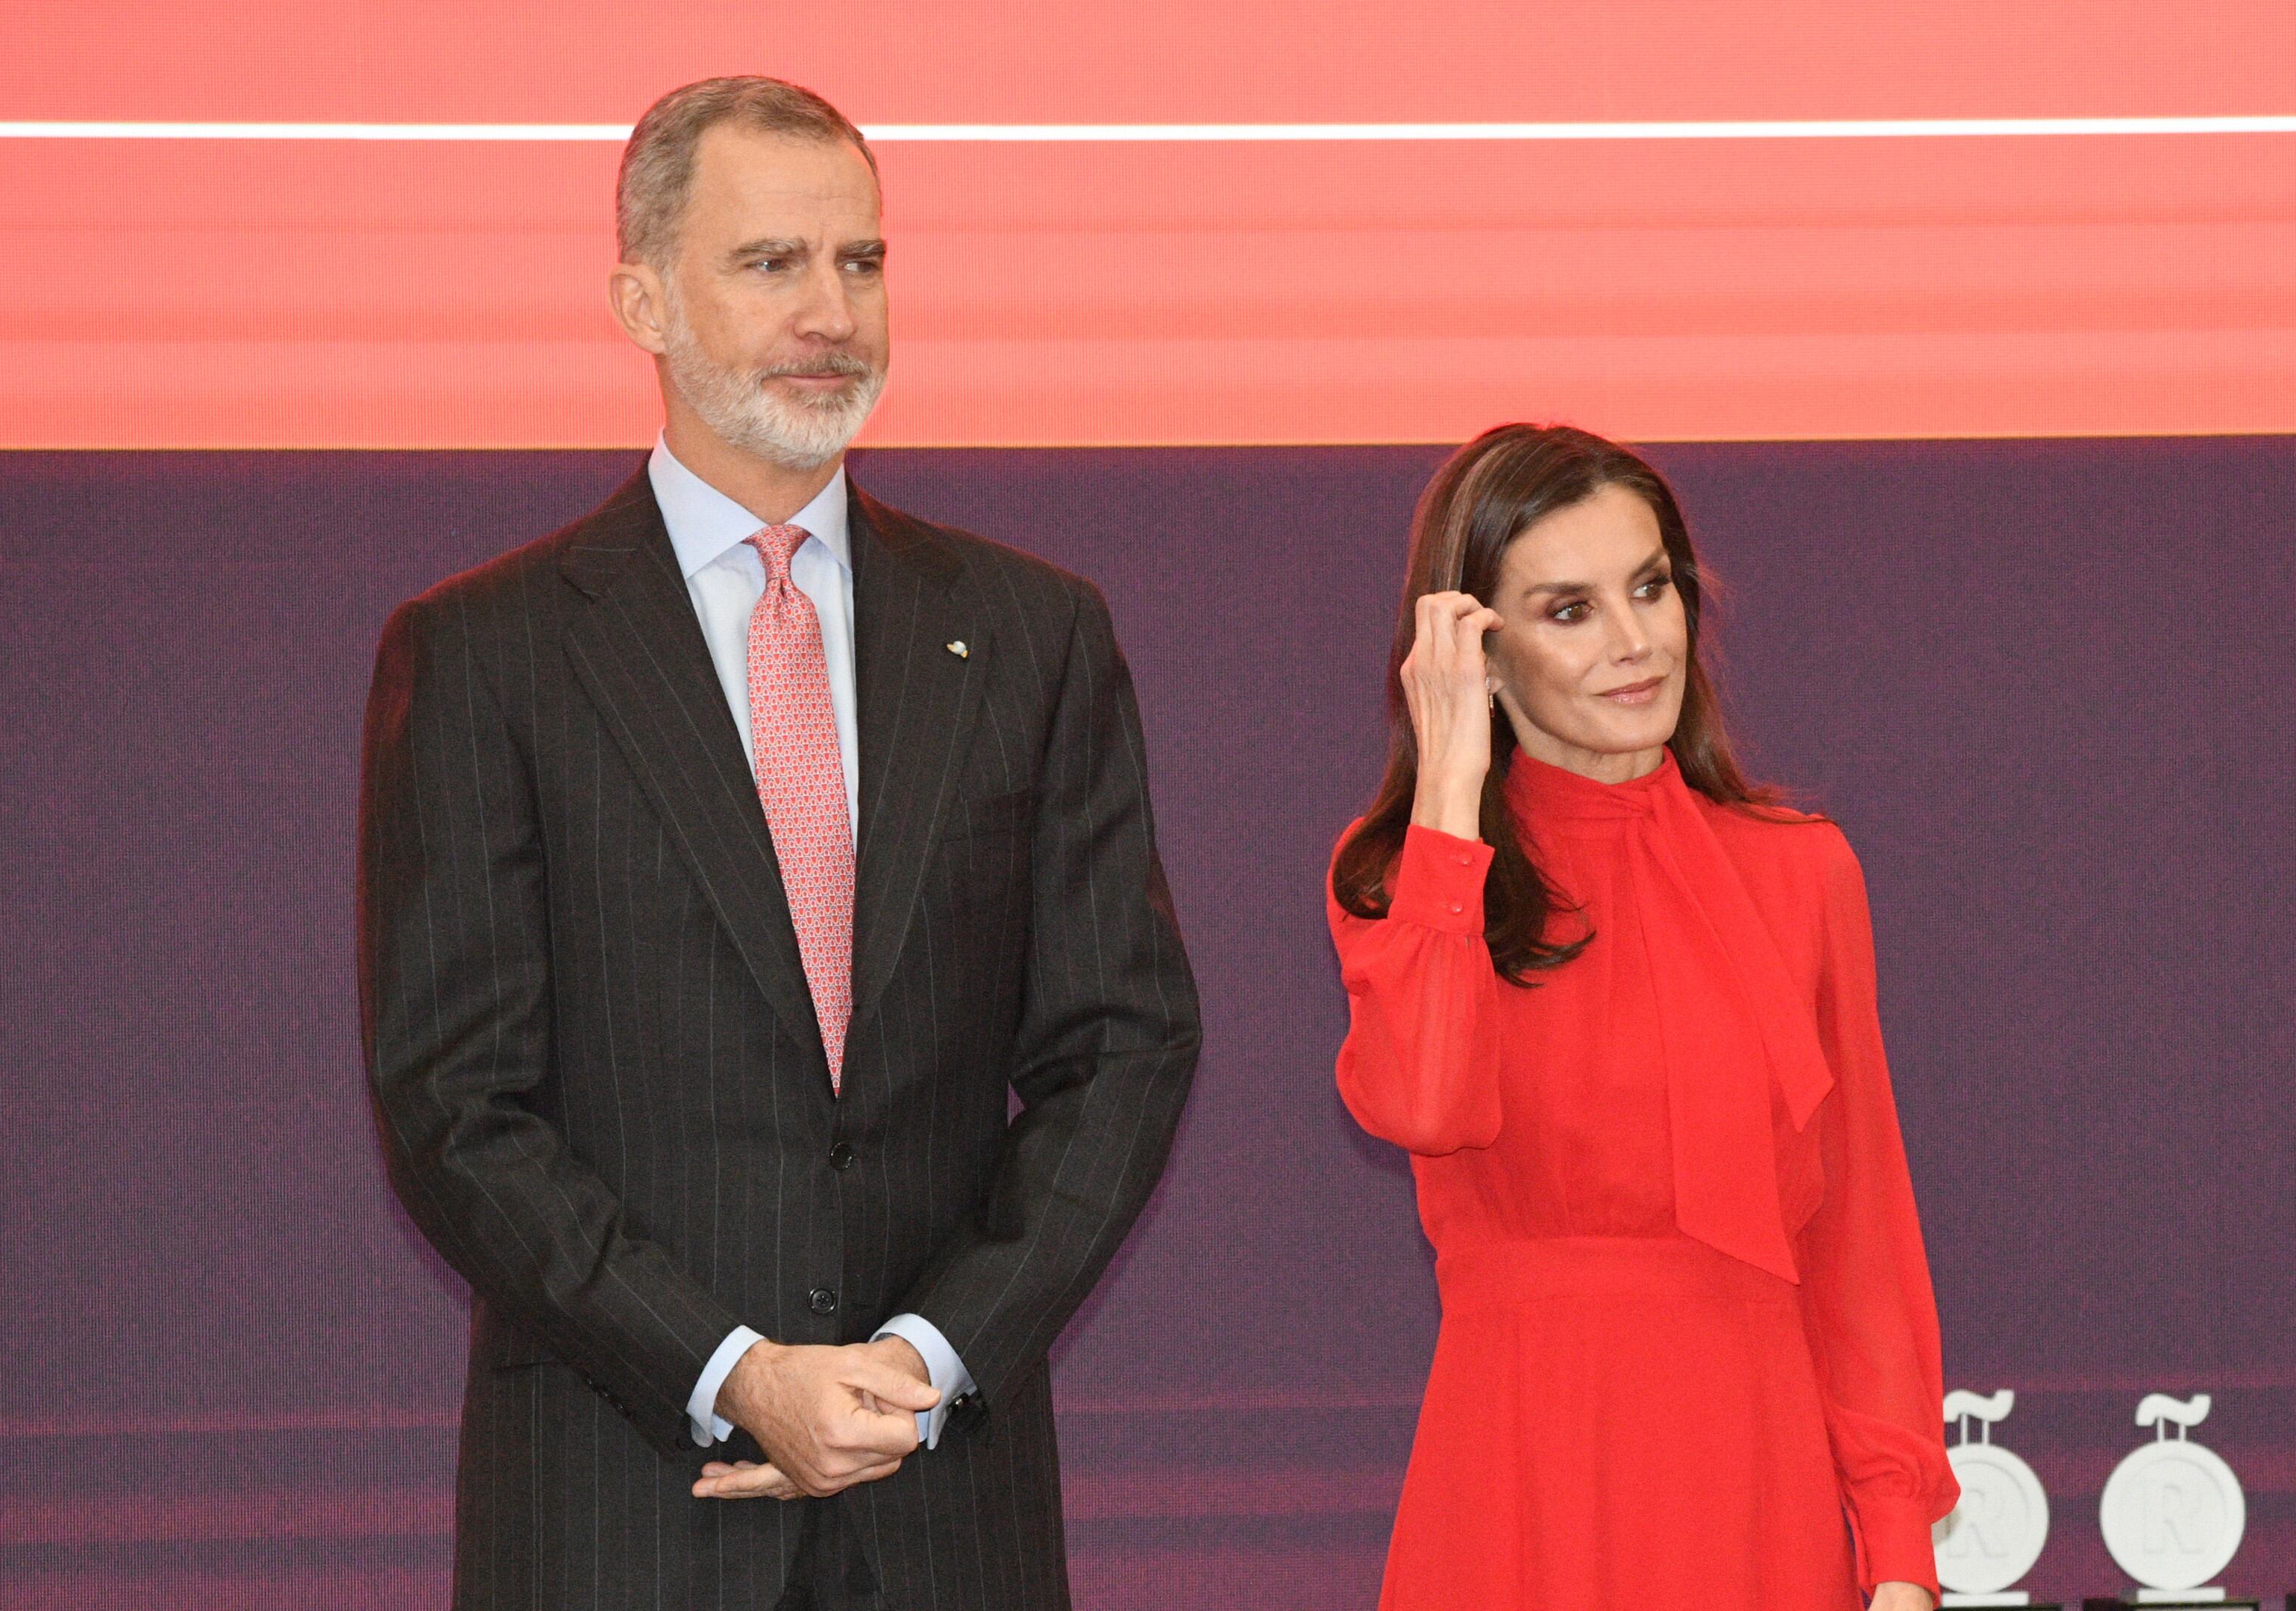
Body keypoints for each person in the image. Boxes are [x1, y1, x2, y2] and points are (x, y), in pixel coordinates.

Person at [358, 76, 1200, 1610]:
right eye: (770, 263)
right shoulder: (489, 653)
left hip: (945, 1505)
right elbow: (456, 1106)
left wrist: (925, 1360)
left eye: (861, 262)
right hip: (621, 1509)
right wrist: (733, 1370)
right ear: (641, 300)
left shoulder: (1032, 634)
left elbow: (1125, 1044)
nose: (832, 313)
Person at [1326, 424, 1958, 1609]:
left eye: (1651, 588)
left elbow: (1860, 1240)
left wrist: (1899, 1553)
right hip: (1520, 1479)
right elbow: (1423, 1102)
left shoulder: (1800, 872)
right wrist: (1451, 790)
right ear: (1479, 654)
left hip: (1756, 1481)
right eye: (1570, 610)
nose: (1635, 642)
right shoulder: (1405, 880)